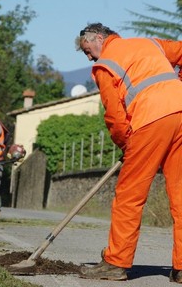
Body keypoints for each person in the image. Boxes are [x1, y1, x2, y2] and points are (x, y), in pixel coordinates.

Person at [75, 22, 182, 283]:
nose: (88, 56)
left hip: (150, 120)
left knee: (129, 195)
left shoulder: (104, 66)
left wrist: (127, 145)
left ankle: (116, 262)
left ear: (99, 38)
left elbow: (115, 117)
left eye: (87, 50)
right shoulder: (149, 43)